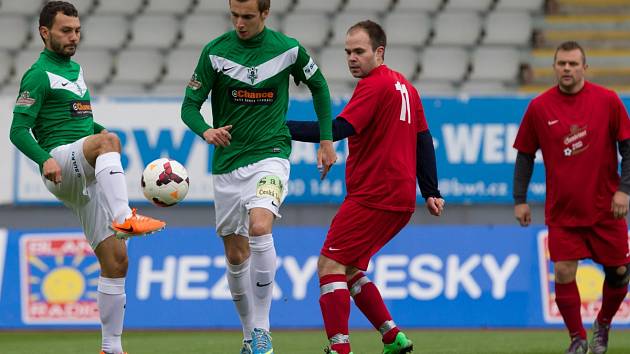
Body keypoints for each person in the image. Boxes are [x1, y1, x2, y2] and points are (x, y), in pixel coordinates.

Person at [8, 2, 167, 354]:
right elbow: (18, 131)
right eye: (66, 31)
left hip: (84, 174)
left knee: (116, 261)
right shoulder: (38, 74)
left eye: (77, 30)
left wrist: (97, 129)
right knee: (110, 143)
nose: (74, 37)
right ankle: (125, 216)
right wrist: (44, 158)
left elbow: (78, 121)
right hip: (61, 165)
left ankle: (111, 348)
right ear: (44, 32)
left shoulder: (75, 69)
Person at [180, 0, 336, 353]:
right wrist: (206, 131)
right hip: (227, 166)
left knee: (261, 226)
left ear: (265, 14)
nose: (239, 23)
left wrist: (326, 140)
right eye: (234, 15)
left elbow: (320, 87)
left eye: (247, 16)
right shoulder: (215, 52)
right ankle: (249, 336)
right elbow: (189, 106)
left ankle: (263, 329)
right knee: (236, 257)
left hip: (271, 155)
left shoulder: (288, 50)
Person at [287, 20, 444, 354]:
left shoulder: (374, 85)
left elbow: (340, 127)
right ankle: (393, 337)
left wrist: (281, 128)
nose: (352, 58)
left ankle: (340, 348)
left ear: (379, 52)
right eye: (347, 52)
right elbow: (423, 139)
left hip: (373, 195)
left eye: (359, 51)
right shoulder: (405, 86)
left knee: (329, 265)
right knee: (352, 268)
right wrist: (431, 190)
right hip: (400, 200)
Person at [513, 41, 630, 354]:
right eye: (561, 63)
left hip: (607, 208)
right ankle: (577, 339)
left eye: (573, 64)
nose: (567, 68)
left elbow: (628, 149)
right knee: (564, 271)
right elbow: (525, 154)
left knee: (619, 271)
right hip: (564, 210)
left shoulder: (608, 101)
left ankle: (602, 325)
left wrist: (625, 190)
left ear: (584, 68)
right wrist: (519, 198)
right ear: (554, 67)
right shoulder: (538, 107)